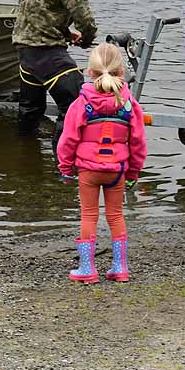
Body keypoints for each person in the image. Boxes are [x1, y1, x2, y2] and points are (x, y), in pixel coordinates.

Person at [57, 42, 146, 284]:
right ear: (121, 72)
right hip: (117, 169)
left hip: (88, 169)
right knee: (116, 215)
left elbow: (68, 140)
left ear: (89, 72)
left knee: (89, 215)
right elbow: (138, 142)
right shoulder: (129, 104)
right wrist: (133, 172)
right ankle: (120, 267)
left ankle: (87, 268)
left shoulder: (81, 104)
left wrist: (66, 168)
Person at [12, 0, 97, 155]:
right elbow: (84, 16)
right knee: (75, 105)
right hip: (48, 53)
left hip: (25, 51)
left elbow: (35, 11)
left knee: (30, 110)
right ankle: (63, 164)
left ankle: (24, 159)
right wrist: (87, 39)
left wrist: (67, 34)